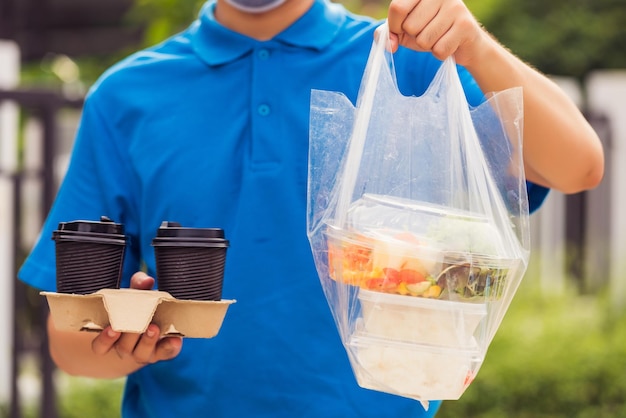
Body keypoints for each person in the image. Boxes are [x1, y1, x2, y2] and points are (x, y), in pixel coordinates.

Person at [18, 0, 604, 417]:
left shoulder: (405, 63)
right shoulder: (127, 97)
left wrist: (473, 45)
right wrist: (118, 346)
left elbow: (579, 165)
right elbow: (69, 345)